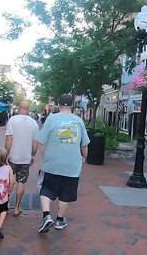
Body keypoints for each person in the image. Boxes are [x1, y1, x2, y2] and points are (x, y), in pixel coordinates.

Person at [36, 94, 90, 233]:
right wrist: (84, 157)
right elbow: (84, 145)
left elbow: (41, 141)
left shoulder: (51, 119)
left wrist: (45, 155)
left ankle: (46, 215)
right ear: (72, 105)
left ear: (58, 105)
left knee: (46, 189)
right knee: (66, 193)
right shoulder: (79, 121)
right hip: (72, 165)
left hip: (52, 163)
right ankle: (60, 219)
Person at [4, 101, 39, 216]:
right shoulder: (34, 123)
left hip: (12, 156)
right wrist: (32, 155)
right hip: (25, 158)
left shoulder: (12, 120)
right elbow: (35, 143)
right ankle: (17, 207)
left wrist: (6, 153)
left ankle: (7, 203)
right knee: (22, 182)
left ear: (19, 108)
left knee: (10, 180)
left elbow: (9, 139)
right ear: (28, 109)